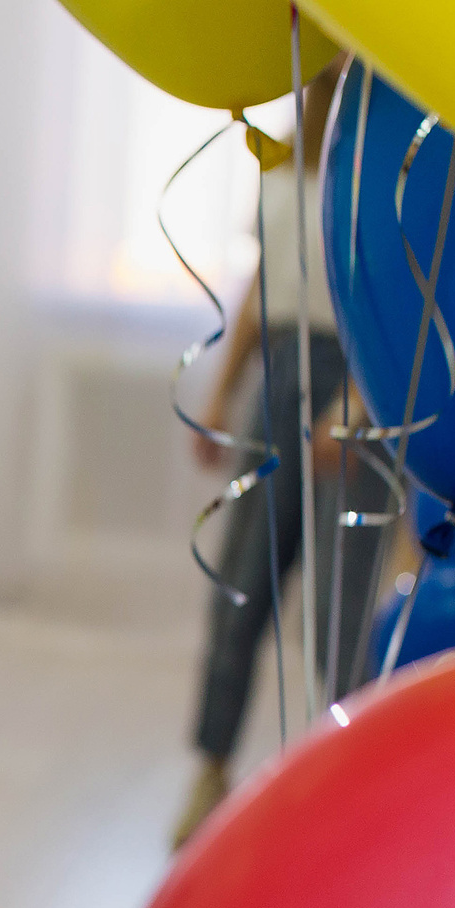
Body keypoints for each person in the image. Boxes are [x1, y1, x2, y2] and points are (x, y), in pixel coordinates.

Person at [174, 64, 383, 848]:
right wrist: (223, 393)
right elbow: (263, 286)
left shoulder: (376, 179)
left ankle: (343, 788)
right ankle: (209, 767)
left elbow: (400, 298)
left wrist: (357, 406)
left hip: (353, 383)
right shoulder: (279, 171)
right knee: (243, 586)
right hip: (278, 380)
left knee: (341, 606)